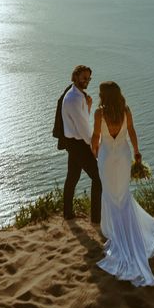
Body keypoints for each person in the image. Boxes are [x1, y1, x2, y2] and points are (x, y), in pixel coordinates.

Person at [91, 81, 154, 286]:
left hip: (106, 157)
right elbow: (131, 131)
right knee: (122, 194)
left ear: (104, 95)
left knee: (109, 193)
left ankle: (112, 230)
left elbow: (96, 137)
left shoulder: (99, 114)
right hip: (123, 156)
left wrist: (94, 151)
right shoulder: (126, 111)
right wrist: (138, 151)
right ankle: (125, 229)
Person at [62, 65, 102, 223]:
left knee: (72, 177)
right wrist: (94, 147)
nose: (87, 81)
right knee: (98, 178)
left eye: (89, 78)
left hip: (74, 142)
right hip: (78, 144)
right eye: (84, 78)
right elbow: (84, 128)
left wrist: (89, 106)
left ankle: (67, 213)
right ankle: (96, 218)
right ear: (76, 76)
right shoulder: (74, 99)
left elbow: (81, 120)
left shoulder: (77, 95)